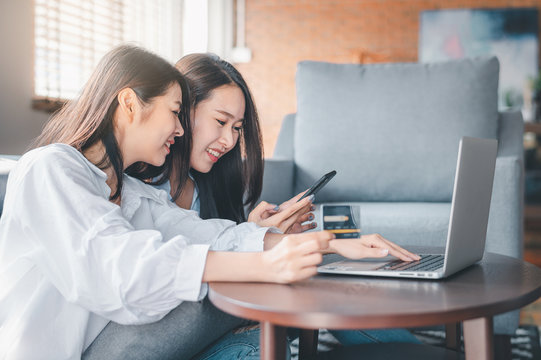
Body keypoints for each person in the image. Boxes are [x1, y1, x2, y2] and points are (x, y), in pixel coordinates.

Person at [0, 45, 418, 360]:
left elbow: (211, 233)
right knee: (255, 287)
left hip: (112, 339)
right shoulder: (49, 168)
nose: (179, 130)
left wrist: (328, 244)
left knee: (290, 283)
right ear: (130, 104)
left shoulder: (133, 194)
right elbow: (123, 271)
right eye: (175, 112)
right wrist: (268, 265)